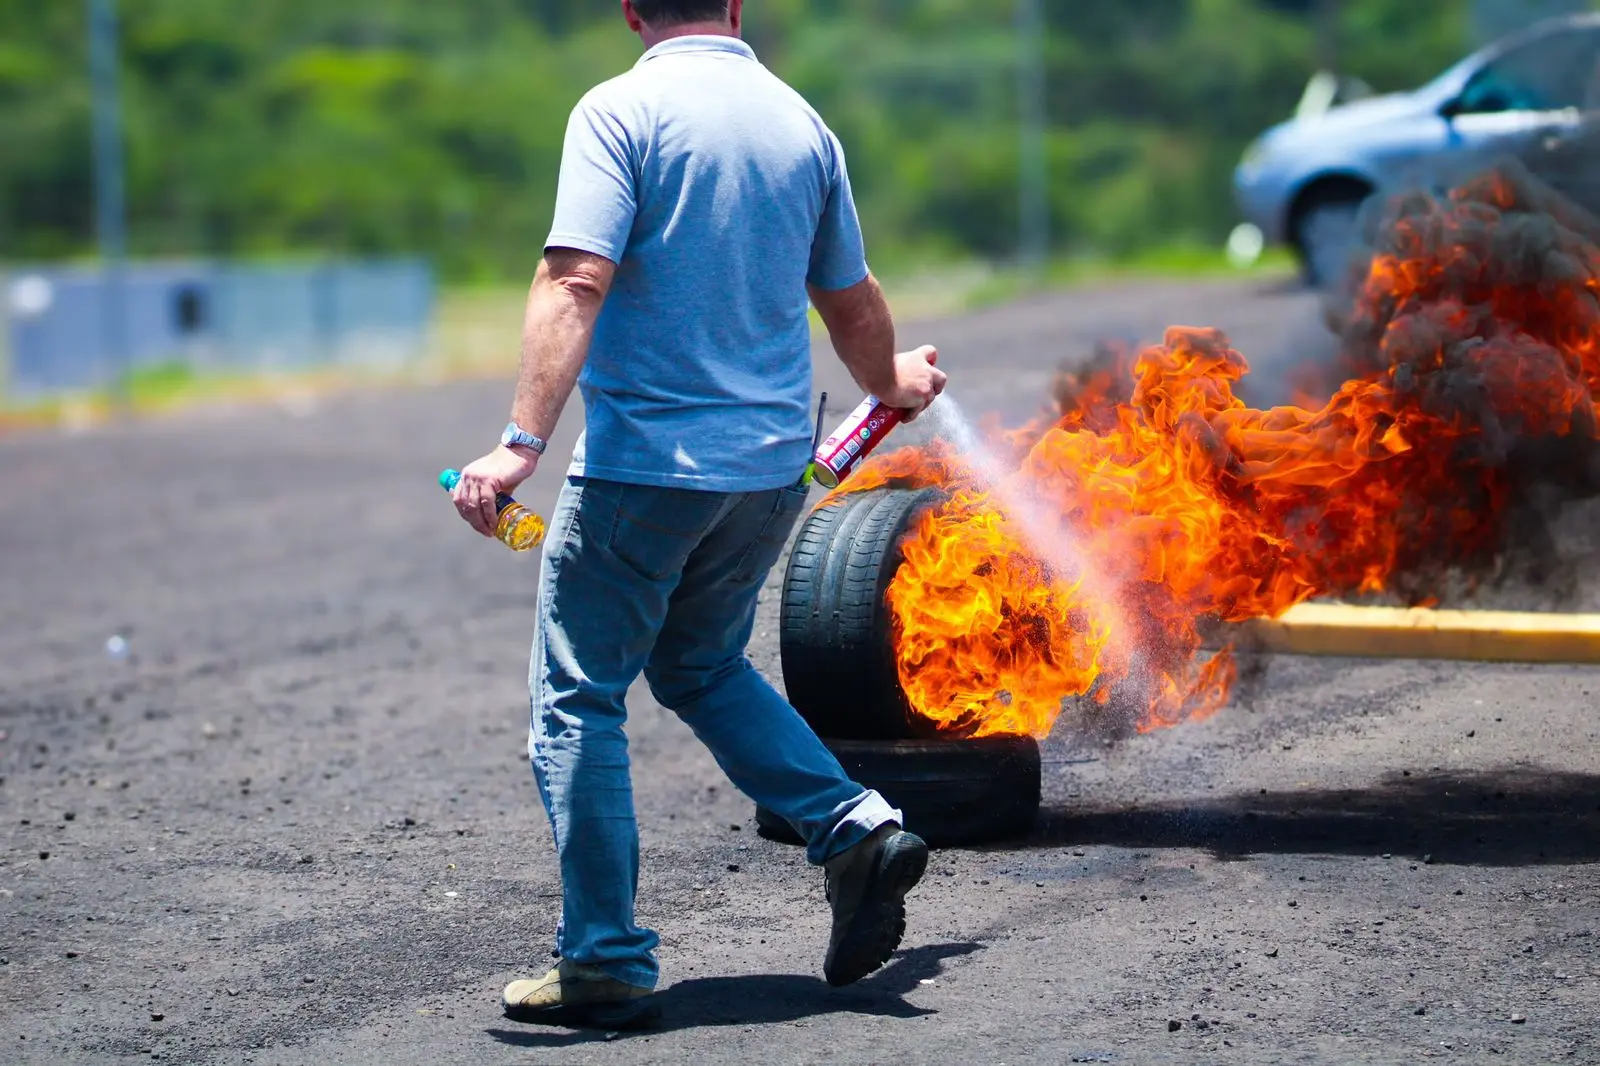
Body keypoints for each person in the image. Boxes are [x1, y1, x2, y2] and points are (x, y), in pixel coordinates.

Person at [449, 0, 948, 1030]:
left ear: (630, 9)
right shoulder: (798, 123)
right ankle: (851, 824)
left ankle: (603, 960)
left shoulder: (618, 111)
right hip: (768, 470)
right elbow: (849, 296)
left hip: (646, 472)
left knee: (578, 698)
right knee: (699, 664)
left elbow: (576, 275)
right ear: (733, 5)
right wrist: (888, 379)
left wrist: (519, 444)